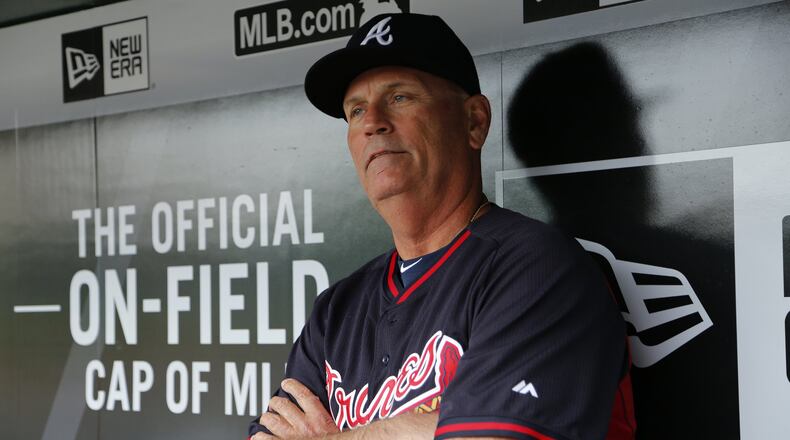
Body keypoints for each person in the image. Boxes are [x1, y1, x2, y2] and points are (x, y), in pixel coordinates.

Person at [249, 13, 635, 440]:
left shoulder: (536, 269)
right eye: (356, 109)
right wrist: (426, 428)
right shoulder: (335, 311)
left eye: (399, 97)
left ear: (474, 122)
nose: (372, 121)